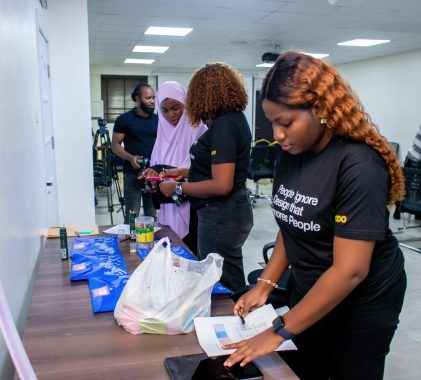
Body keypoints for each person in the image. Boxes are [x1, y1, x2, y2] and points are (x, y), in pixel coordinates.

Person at [222, 51, 406, 380]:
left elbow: (350, 271)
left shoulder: (358, 165)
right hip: (311, 288)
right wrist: (264, 285)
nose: (277, 134)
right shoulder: (293, 152)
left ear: (320, 110)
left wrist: (279, 331)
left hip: (362, 302)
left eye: (286, 122)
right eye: (272, 121)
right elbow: (292, 226)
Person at [159, 63, 254, 292]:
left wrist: (179, 188)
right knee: (221, 273)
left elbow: (222, 184)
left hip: (222, 214)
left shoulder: (224, 125)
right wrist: (184, 172)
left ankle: (234, 324)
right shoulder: (233, 119)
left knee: (222, 281)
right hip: (228, 211)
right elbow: (221, 167)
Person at [141, 81, 207, 254]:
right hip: (167, 204)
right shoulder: (162, 133)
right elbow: (157, 166)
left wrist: (176, 174)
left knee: (190, 253)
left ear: (185, 104)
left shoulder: (198, 129)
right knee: (171, 252)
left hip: (193, 204)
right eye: (165, 110)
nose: (171, 114)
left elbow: (205, 169)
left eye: (176, 107)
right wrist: (152, 174)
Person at [111, 83, 158, 223]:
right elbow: (115, 145)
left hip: (153, 174)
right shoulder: (124, 119)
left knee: (152, 213)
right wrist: (131, 158)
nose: (152, 101)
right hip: (132, 173)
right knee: (132, 214)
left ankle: (153, 242)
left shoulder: (159, 120)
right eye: (148, 98)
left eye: (153, 98)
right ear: (137, 99)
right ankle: (130, 242)